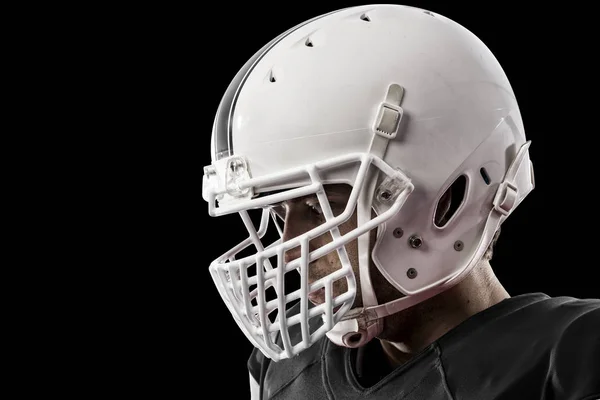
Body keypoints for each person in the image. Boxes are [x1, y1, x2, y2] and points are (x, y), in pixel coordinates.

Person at [202, 4, 600, 399]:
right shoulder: (286, 367)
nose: (287, 252)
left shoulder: (573, 364)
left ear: (445, 204)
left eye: (318, 208)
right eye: (278, 212)